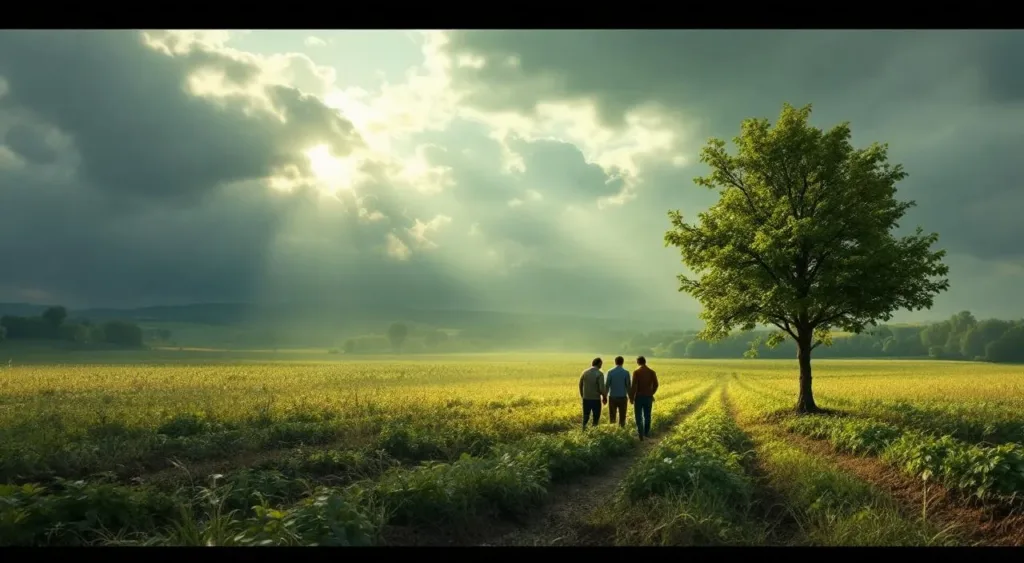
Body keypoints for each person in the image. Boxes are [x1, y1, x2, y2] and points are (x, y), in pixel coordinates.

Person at [629, 355, 659, 440]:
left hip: (638, 397)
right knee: (647, 415)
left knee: (638, 415)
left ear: (638, 362)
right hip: (648, 397)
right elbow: (656, 385)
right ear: (645, 362)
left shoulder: (636, 372)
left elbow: (634, 385)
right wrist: (651, 393)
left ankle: (640, 433)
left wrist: (631, 397)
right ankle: (646, 433)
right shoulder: (651, 372)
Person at [579, 357, 607, 429]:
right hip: (595, 399)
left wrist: (582, 394)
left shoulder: (585, 372)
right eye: (601, 364)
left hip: (586, 398)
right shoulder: (599, 374)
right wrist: (604, 397)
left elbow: (580, 384)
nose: (601, 365)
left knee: (586, 415)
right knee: (596, 417)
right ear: (599, 364)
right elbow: (601, 388)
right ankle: (594, 431)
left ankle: (583, 428)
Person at [605, 356, 631, 427]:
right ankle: (622, 430)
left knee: (612, 416)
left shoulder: (610, 372)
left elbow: (607, 385)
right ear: (623, 362)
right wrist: (631, 397)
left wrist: (604, 397)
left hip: (612, 397)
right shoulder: (626, 373)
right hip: (623, 397)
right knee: (622, 416)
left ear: (615, 362)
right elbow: (628, 386)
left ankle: (613, 431)